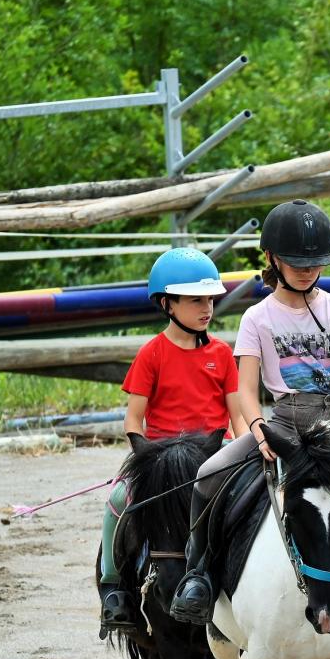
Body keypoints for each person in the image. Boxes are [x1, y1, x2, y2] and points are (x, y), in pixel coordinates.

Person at [170, 199, 330, 624]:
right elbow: (245, 388)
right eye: (297, 262)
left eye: (315, 262)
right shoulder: (257, 317)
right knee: (208, 475)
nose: (307, 270)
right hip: (284, 423)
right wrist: (259, 430)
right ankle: (199, 575)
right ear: (272, 259)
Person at [97, 247, 245, 635]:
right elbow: (133, 418)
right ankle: (114, 589)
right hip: (162, 458)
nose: (207, 308)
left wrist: (247, 451)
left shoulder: (222, 355)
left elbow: (238, 415)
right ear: (167, 303)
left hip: (213, 456)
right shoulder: (151, 354)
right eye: (195, 300)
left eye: (210, 299)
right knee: (116, 501)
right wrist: (147, 459)